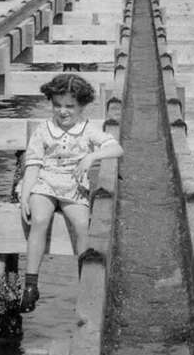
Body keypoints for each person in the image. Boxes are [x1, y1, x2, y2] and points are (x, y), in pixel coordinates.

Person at [15, 73, 123, 312]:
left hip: (73, 185)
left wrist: (92, 156)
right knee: (39, 218)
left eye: (69, 106)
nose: (63, 111)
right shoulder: (44, 130)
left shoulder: (87, 130)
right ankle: (31, 285)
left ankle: (85, 285)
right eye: (57, 105)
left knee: (83, 224)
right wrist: (25, 195)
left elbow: (117, 148)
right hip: (45, 182)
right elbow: (33, 165)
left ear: (82, 106)